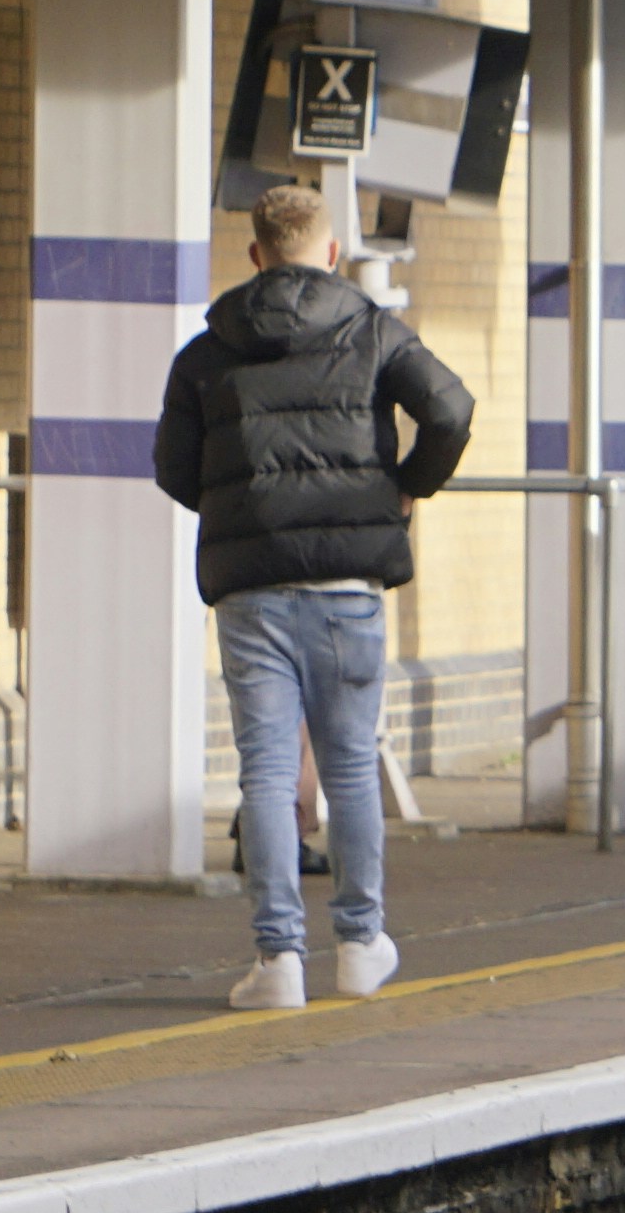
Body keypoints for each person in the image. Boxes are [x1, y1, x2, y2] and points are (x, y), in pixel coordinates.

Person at [153, 177, 470, 1008]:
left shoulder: (206, 351)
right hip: (347, 585)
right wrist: (405, 487)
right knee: (351, 766)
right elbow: (451, 408)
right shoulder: (371, 331)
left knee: (264, 771)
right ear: (331, 254)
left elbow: (172, 468)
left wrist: (238, 509)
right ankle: (361, 945)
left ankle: (279, 963)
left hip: (252, 591)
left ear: (256, 256)